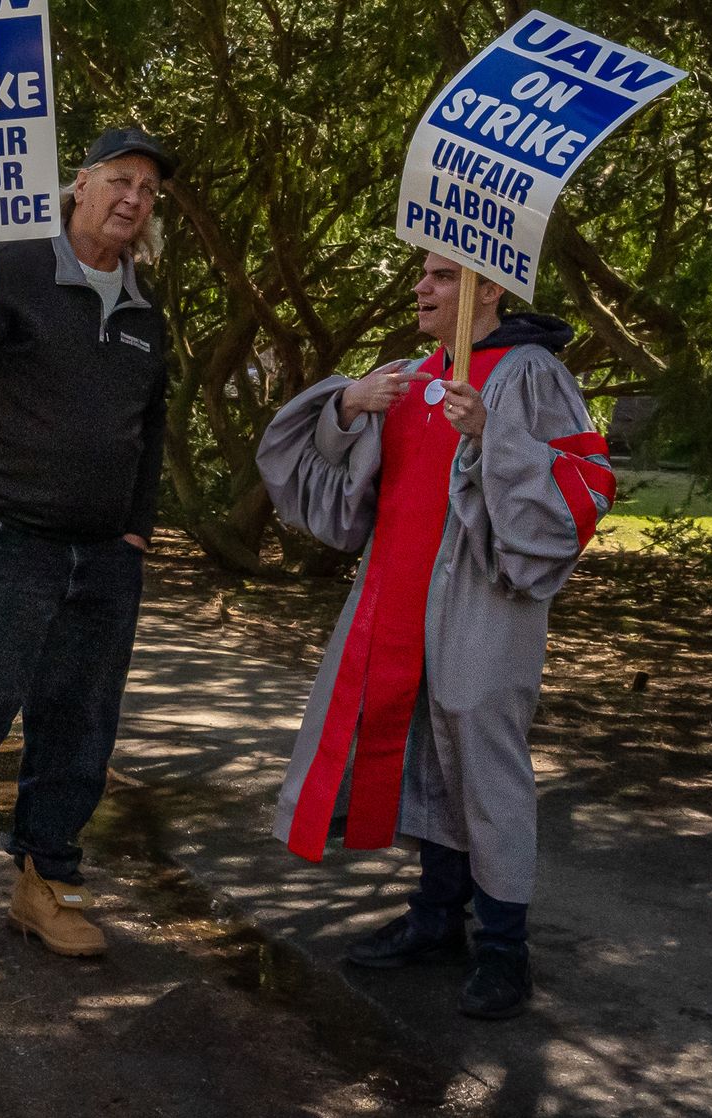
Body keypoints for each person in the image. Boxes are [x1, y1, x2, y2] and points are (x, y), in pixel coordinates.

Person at [256, 252, 615, 1020]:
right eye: (422, 274)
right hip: (394, 598)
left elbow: (582, 487)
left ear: (489, 287)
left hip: (483, 599)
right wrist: (348, 403)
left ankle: (505, 947)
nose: (421, 287)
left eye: (442, 276)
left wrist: (493, 433)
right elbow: (328, 487)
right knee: (427, 755)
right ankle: (435, 914)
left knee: (484, 762)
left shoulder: (527, 373)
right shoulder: (407, 374)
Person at [0, 126, 177, 958]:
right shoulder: (11, 262)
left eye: (148, 190)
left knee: (78, 724)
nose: (133, 198)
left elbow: (150, 427)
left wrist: (135, 527)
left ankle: (45, 885)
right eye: (120, 180)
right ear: (81, 185)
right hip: (1, 537)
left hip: (103, 556)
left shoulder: (144, 312)